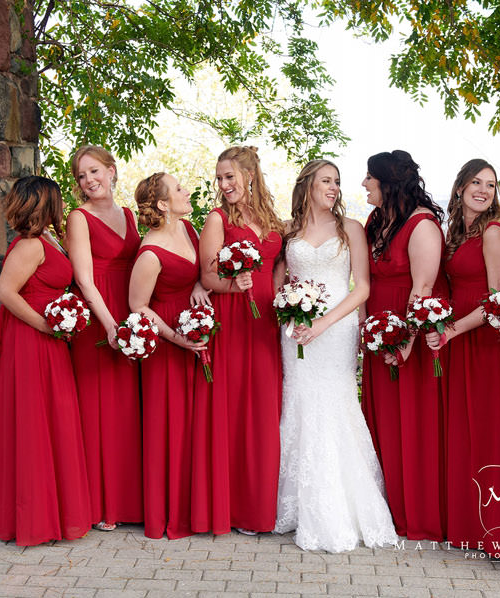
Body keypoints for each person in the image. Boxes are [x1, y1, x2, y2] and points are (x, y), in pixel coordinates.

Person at [272, 159, 401, 552]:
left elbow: (361, 288)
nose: (333, 188)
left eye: (337, 182)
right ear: (308, 185)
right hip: (296, 329)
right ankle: (294, 505)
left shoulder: (351, 230)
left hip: (336, 328)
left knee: (335, 404)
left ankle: (341, 505)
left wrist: (324, 323)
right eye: (326, 181)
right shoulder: (288, 230)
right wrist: (286, 311)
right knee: (298, 403)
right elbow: (277, 281)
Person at [0, 175, 96, 546]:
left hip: (49, 340)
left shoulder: (49, 238)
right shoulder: (30, 245)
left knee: (54, 421)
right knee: (36, 424)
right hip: (31, 340)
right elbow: (6, 292)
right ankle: (35, 520)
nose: (63, 204)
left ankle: (54, 514)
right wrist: (46, 326)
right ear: (44, 203)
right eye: (57, 199)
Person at [426, 159, 500, 557]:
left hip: (483, 342)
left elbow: (499, 298)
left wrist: (452, 330)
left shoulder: (493, 233)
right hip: (455, 338)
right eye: (477, 182)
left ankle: (492, 532)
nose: (484, 190)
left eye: (492, 185)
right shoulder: (453, 233)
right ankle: (462, 523)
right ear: (460, 186)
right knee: (460, 429)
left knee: (485, 432)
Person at [359, 150, 447, 543]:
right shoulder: (376, 221)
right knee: (382, 423)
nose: (363, 185)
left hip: (405, 336)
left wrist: (407, 342)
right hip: (379, 333)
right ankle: (384, 509)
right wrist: (365, 330)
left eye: (369, 179)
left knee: (410, 424)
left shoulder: (422, 225)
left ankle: (417, 514)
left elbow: (422, 288)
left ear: (387, 183)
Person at [196, 145, 284, 536]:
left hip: (266, 321)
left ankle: (260, 508)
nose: (223, 184)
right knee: (233, 411)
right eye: (219, 178)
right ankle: (232, 509)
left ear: (250, 175)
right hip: (232, 319)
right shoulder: (217, 219)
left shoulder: (271, 219)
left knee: (264, 412)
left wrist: (287, 301)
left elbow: (280, 266)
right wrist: (234, 285)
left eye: (229, 176)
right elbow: (207, 277)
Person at [63, 145, 145, 531]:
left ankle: (129, 501)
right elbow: (83, 278)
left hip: (129, 315)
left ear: (112, 171)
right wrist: (111, 325)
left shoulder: (129, 215)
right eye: (82, 176)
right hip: (98, 319)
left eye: (94, 171)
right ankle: (100, 504)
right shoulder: (78, 218)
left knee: (128, 410)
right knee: (98, 410)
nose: (89, 180)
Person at [127, 172, 209, 540]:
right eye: (178, 189)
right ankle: (168, 513)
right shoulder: (149, 252)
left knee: (196, 426)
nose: (186, 190)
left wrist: (194, 286)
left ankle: (197, 509)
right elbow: (138, 306)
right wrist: (178, 338)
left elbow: (197, 271)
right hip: (166, 345)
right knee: (169, 428)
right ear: (162, 204)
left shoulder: (189, 230)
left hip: (195, 334)